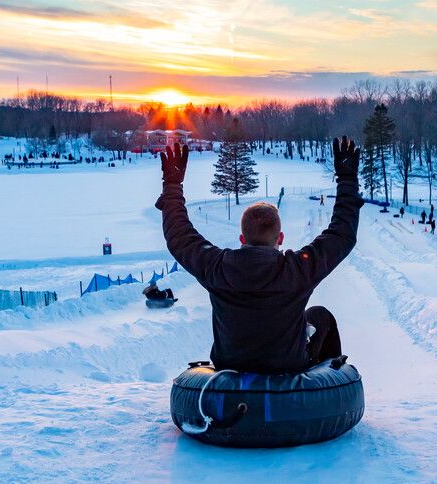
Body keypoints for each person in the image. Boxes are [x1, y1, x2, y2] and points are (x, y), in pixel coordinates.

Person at [155, 138, 362, 374]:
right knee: (320, 316)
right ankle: (326, 395)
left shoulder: (217, 266)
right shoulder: (297, 269)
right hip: (288, 364)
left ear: (242, 238)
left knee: (315, 315)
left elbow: (179, 236)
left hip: (230, 365)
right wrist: (347, 180)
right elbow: (342, 235)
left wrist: (172, 185)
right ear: (280, 238)